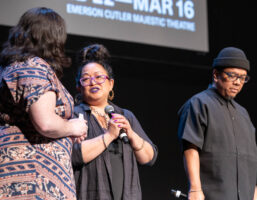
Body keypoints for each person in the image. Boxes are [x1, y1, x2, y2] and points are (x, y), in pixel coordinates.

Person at [0, 7, 87, 199]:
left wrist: (63, 132)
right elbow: (46, 123)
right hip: (33, 181)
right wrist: (71, 126)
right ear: (52, 37)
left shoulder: (17, 66)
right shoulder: (34, 67)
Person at [72, 44, 158, 200]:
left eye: (99, 77)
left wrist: (131, 134)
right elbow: (72, 154)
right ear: (78, 86)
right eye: (86, 79)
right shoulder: (74, 115)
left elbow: (149, 158)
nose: (93, 82)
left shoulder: (125, 115)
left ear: (110, 83)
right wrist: (109, 136)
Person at [177, 47, 257, 200]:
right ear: (216, 75)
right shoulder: (199, 104)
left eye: (243, 78)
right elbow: (190, 147)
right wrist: (195, 189)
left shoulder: (243, 114)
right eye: (232, 75)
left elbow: (247, 161)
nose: (237, 82)